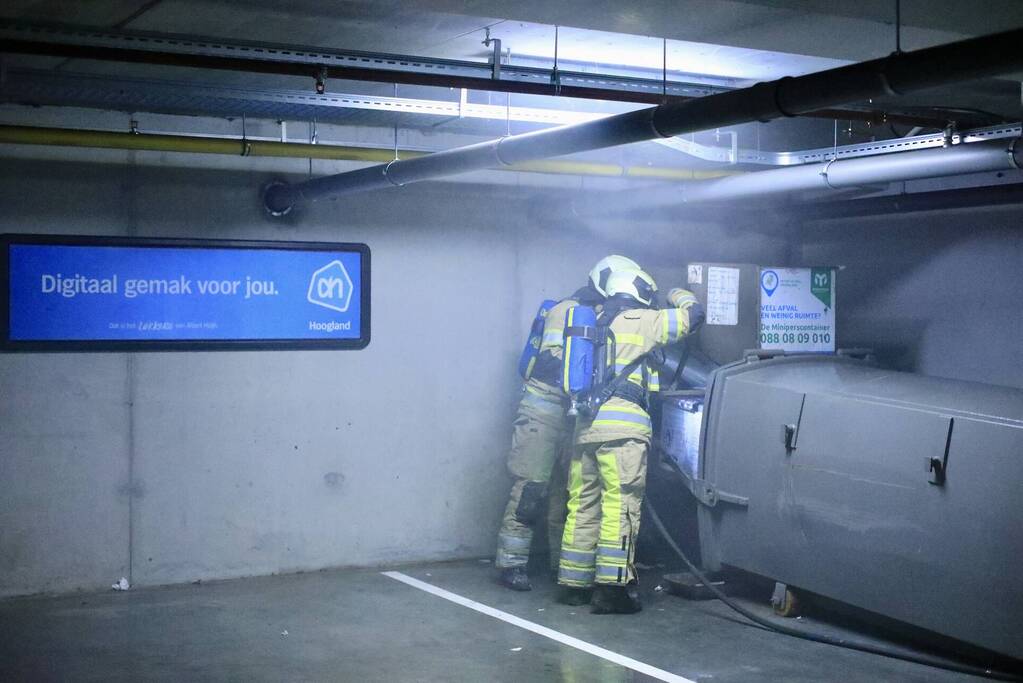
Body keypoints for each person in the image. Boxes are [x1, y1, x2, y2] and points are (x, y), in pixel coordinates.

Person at [556, 269, 704, 613]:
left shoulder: (591, 321)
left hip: (585, 429)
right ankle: (612, 590)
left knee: (582, 506)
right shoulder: (641, 320)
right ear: (637, 291)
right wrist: (679, 293)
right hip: (623, 432)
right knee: (620, 506)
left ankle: (572, 584)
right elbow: (693, 318)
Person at [495, 255, 641, 591]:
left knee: (568, 493)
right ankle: (511, 563)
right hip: (543, 413)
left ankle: (563, 565)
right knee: (531, 487)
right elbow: (553, 364)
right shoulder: (566, 310)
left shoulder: (603, 316)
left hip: (574, 416)